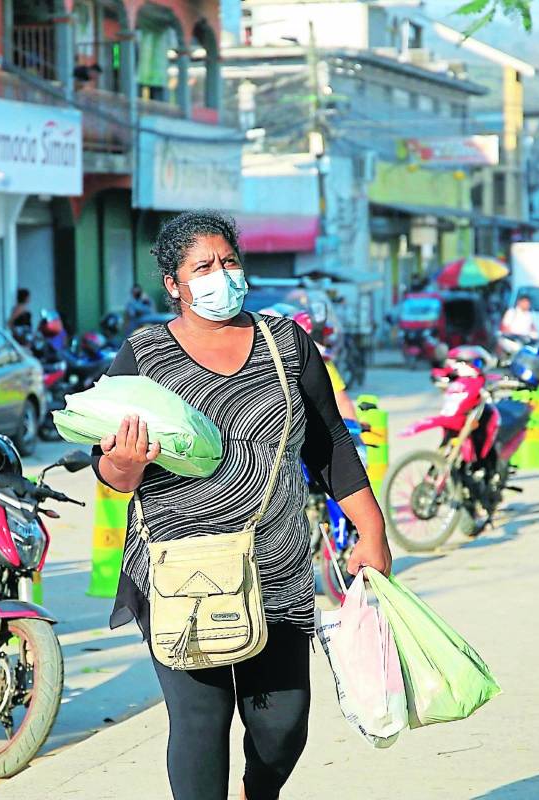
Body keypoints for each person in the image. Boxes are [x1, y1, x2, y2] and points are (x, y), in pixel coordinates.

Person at [93, 211, 391, 800]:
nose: (219, 275)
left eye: (228, 262)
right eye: (201, 267)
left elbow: (328, 442)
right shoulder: (144, 355)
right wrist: (124, 461)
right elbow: (110, 471)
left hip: (276, 568)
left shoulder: (286, 344)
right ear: (174, 284)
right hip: (182, 572)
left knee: (283, 725)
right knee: (201, 726)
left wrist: (372, 529)